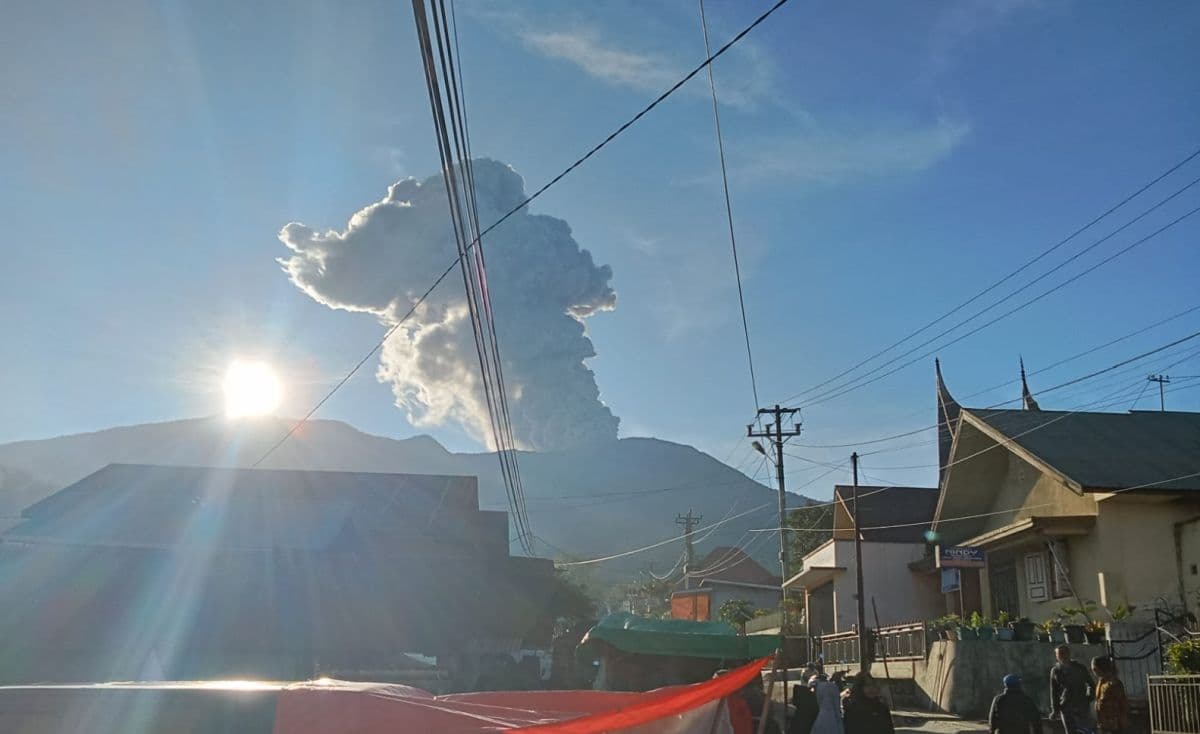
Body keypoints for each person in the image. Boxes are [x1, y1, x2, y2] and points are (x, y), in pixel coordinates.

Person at [1050, 645, 1095, 734]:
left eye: (1064, 653)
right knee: (1070, 731)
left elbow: (1091, 684)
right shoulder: (1056, 671)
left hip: (1081, 704)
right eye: (1059, 654)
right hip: (1066, 706)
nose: (1062, 656)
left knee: (1085, 730)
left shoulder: (1079, 668)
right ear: (1057, 656)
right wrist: (1055, 710)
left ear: (1069, 654)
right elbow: (1053, 691)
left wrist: (1089, 698)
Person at [1091, 656, 1129, 734]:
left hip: (1114, 722)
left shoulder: (1113, 683)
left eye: (1094, 669)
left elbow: (1122, 703)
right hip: (1104, 722)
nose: (1093, 672)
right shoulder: (1101, 681)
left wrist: (1121, 721)